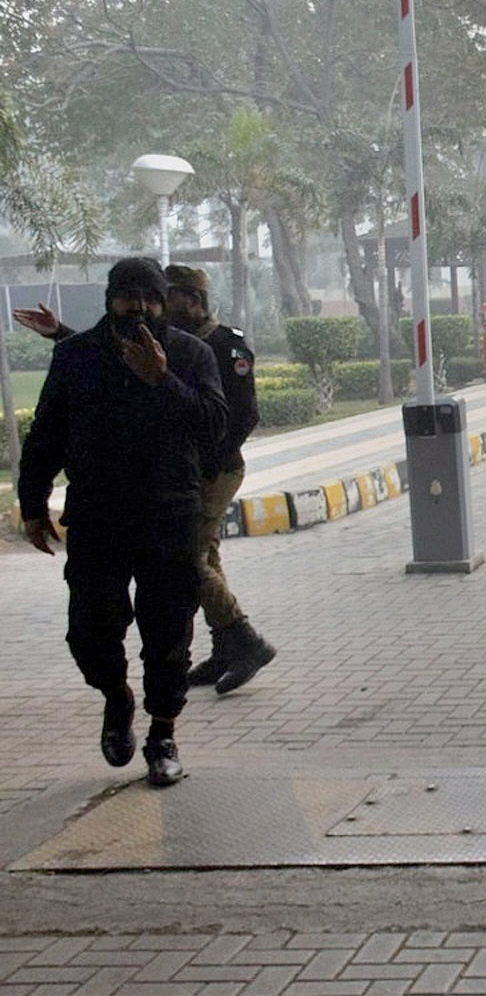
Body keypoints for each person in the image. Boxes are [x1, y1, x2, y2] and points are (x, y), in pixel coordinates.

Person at [16, 257, 228, 787]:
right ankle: (116, 696)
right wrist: (32, 503)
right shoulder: (76, 356)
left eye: (150, 297)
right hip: (97, 518)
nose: (139, 307)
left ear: (163, 301)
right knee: (89, 631)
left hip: (168, 514)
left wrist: (163, 382)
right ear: (110, 300)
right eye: (127, 296)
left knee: (167, 633)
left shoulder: (189, 354)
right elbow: (46, 434)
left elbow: (214, 430)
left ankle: (162, 734)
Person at [15, 267, 275, 693]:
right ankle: (227, 644)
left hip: (213, 470)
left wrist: (201, 460)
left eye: (160, 297)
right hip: (154, 488)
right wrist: (61, 332)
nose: (145, 307)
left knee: (191, 559)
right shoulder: (157, 339)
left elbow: (239, 416)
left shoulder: (217, 347)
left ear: (190, 299)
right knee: (204, 557)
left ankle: (242, 637)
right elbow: (105, 364)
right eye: (130, 297)